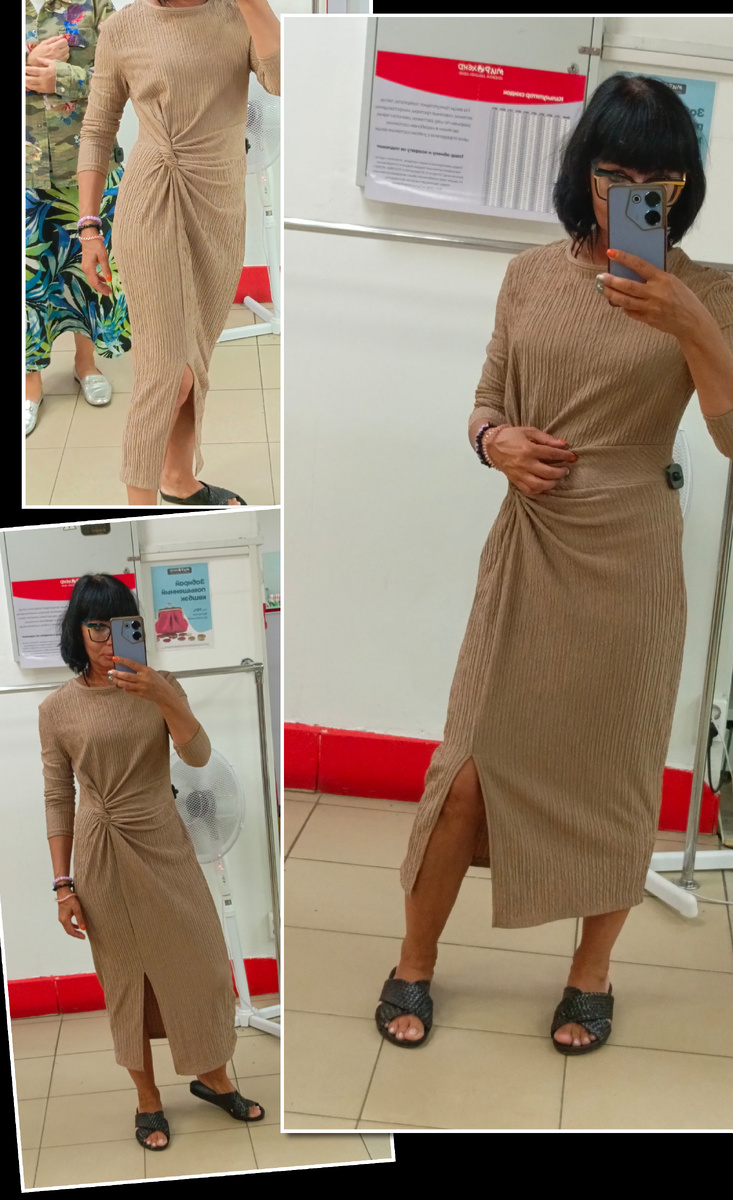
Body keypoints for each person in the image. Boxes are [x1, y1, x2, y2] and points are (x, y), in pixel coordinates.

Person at [374, 75, 733, 1058]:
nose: (633, 196)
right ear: (584, 172)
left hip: (633, 559)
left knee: (616, 772)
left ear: (682, 187)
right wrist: (492, 442)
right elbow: (485, 398)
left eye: (657, 183)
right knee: (465, 771)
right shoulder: (529, 275)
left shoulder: (707, 292)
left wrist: (689, 322)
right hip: (530, 544)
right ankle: (413, 958)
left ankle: (590, 974)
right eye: (615, 174)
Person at [40, 574, 264, 1150]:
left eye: (120, 626)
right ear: (77, 630)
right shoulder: (57, 709)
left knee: (203, 962)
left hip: (163, 838)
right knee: (127, 980)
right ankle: (147, 1098)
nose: (106, 639)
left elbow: (199, 755)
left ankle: (213, 1077)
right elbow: (58, 797)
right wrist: (63, 886)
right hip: (101, 851)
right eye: (95, 627)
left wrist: (161, 693)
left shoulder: (160, 685)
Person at [76, 0, 280, 507]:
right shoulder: (123, 26)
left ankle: (178, 478)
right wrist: (89, 229)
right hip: (152, 199)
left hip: (221, 206)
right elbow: (98, 128)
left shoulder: (237, 15)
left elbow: (283, 81)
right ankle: (141, 513)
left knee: (195, 361)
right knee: (167, 374)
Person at [25, 0, 132, 439]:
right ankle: (30, 381)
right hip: (27, 173)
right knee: (29, 282)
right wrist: (29, 66)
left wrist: (62, 77)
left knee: (90, 276)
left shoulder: (97, 6)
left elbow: (126, 76)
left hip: (90, 171)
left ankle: (85, 364)